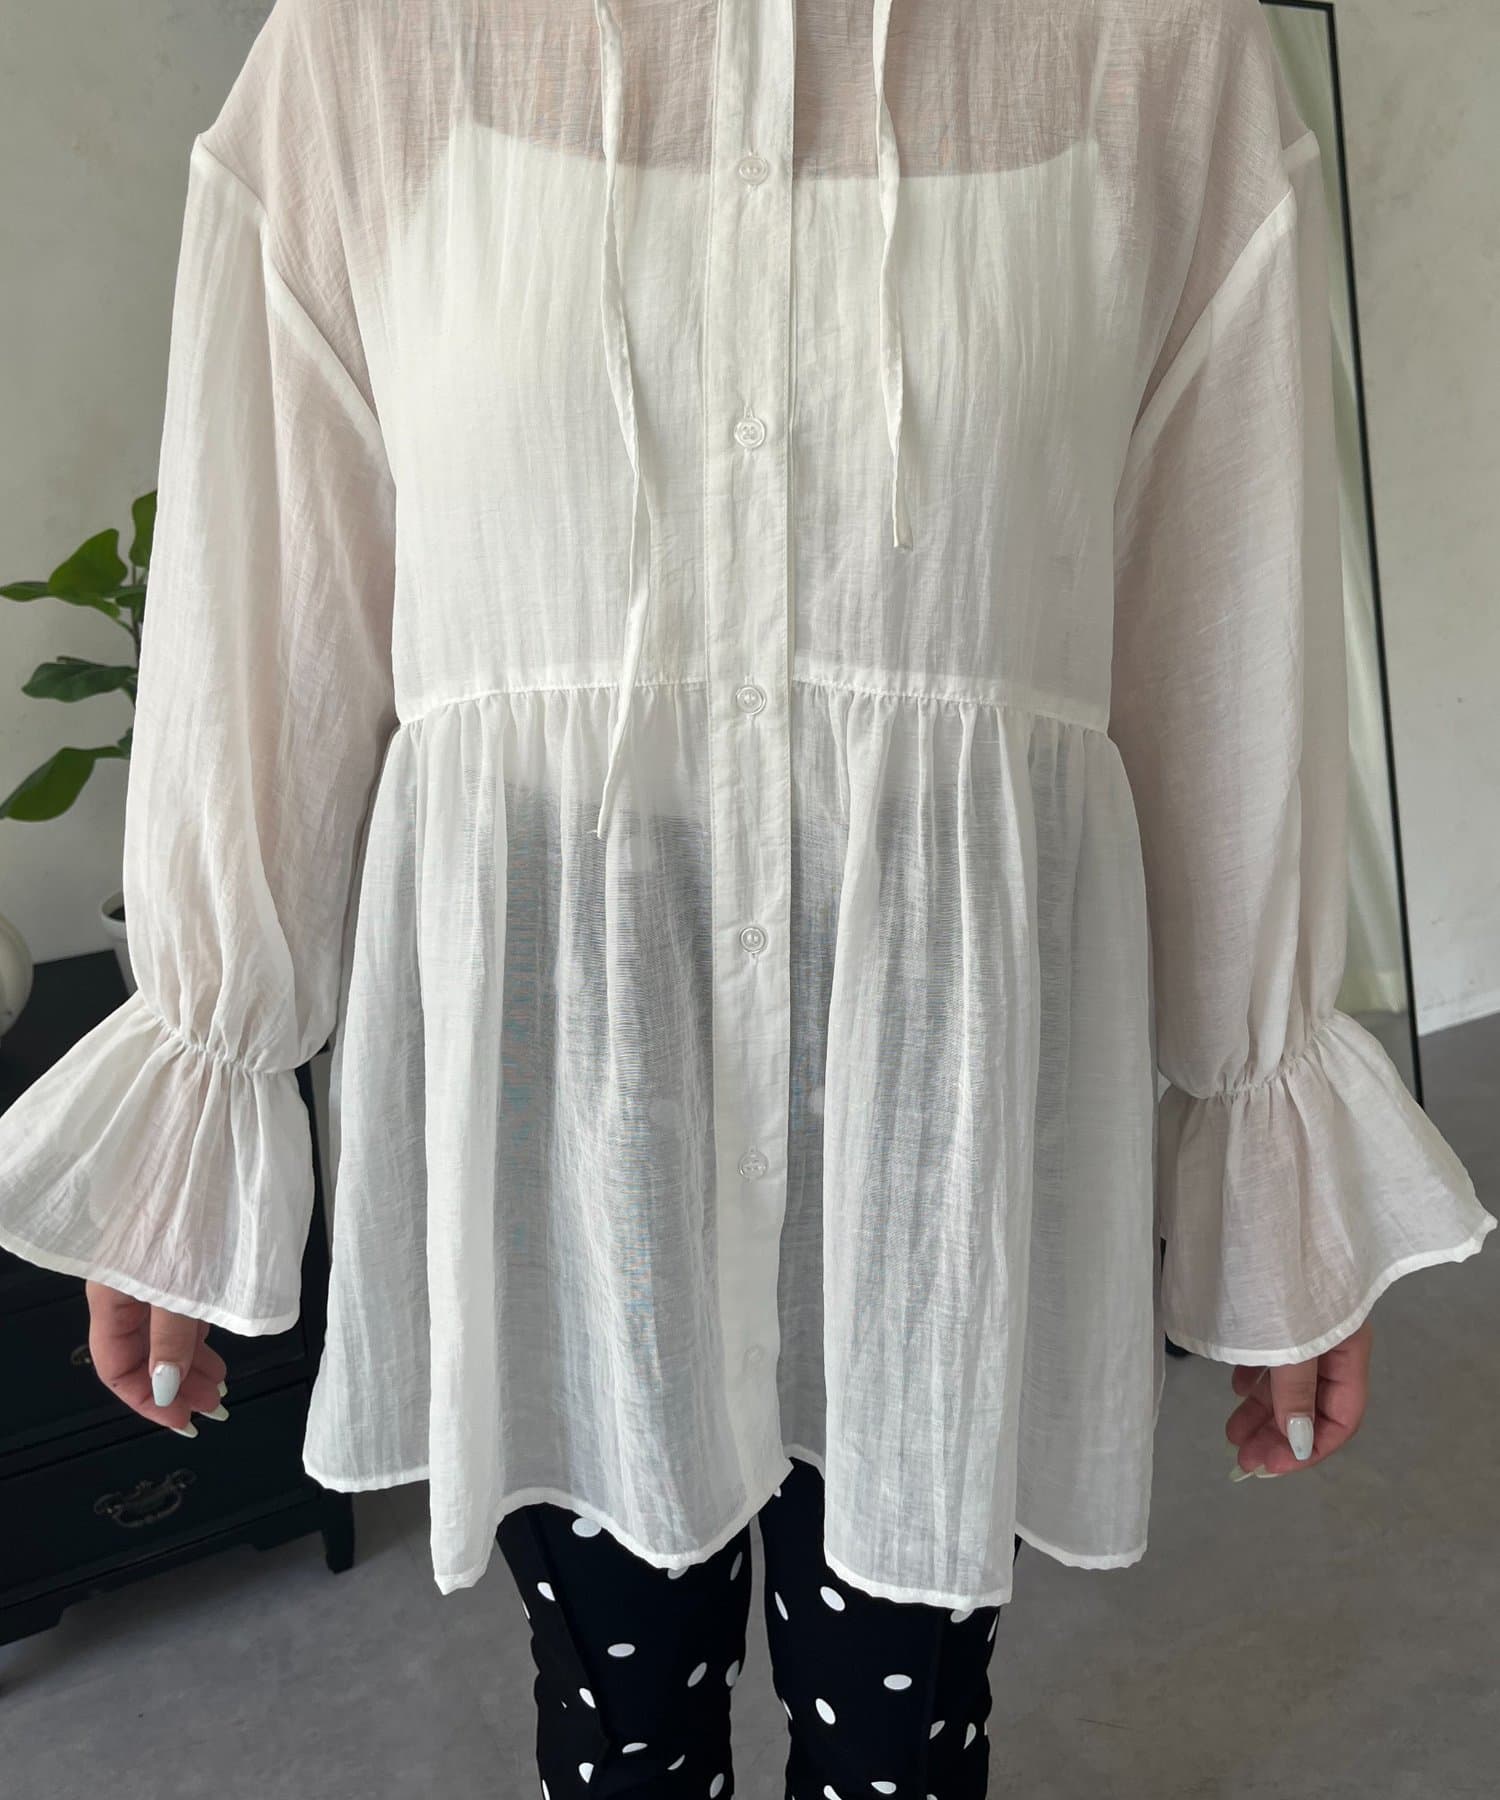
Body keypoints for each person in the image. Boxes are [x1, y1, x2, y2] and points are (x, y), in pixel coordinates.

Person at [1, 2, 1491, 1795]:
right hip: (566, 1098)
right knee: (620, 1731)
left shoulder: (1157, 52)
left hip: (939, 1094)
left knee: (905, 1735)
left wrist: (1267, 1159)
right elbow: (272, 624)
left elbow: (1225, 630)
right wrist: (194, 1114)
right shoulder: (371, 52)